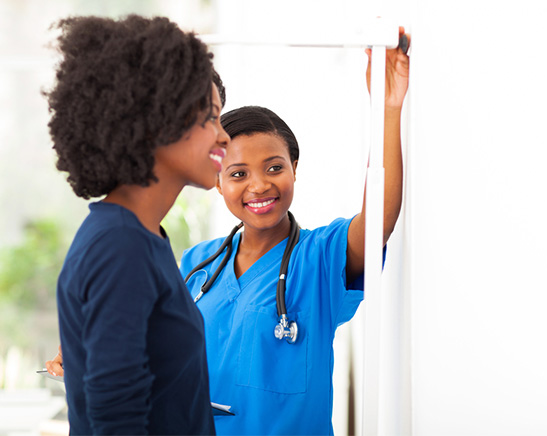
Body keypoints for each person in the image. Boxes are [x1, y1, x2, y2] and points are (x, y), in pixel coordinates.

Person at [47, 28, 410, 435]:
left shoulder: (318, 256)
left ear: (295, 168)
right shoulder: (189, 263)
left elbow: (378, 219)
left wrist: (388, 109)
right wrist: (97, 347)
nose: (259, 185)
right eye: (237, 173)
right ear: (220, 180)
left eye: (275, 168)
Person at [45, 14, 229, 435]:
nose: (223, 137)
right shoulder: (120, 246)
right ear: (156, 118)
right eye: (210, 117)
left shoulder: (140, 236)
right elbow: (117, 418)